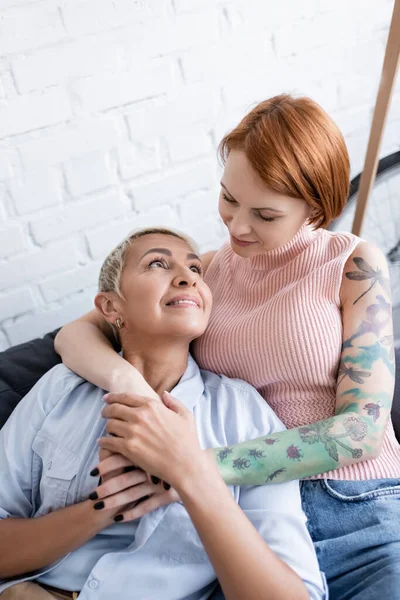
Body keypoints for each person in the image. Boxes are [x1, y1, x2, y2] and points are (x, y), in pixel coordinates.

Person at [56, 94, 400, 600]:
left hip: (355, 507)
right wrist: (134, 389)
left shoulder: (352, 265)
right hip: (244, 515)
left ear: (315, 208)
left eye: (264, 214)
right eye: (228, 199)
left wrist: (194, 467)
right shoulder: (208, 271)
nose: (238, 225)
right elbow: (74, 334)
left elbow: (360, 432)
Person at [0, 228, 325, 600]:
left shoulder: (242, 413)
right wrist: (109, 505)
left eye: (195, 270)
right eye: (157, 263)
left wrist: (190, 473)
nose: (188, 276)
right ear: (110, 308)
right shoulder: (61, 390)